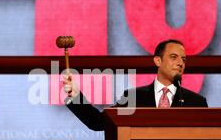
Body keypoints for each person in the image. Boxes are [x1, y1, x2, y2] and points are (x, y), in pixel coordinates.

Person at [63, 39, 208, 131]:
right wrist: (76, 96)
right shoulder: (133, 97)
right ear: (158, 61)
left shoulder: (196, 102)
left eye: (183, 59)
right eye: (173, 57)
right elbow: (98, 123)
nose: (180, 63)